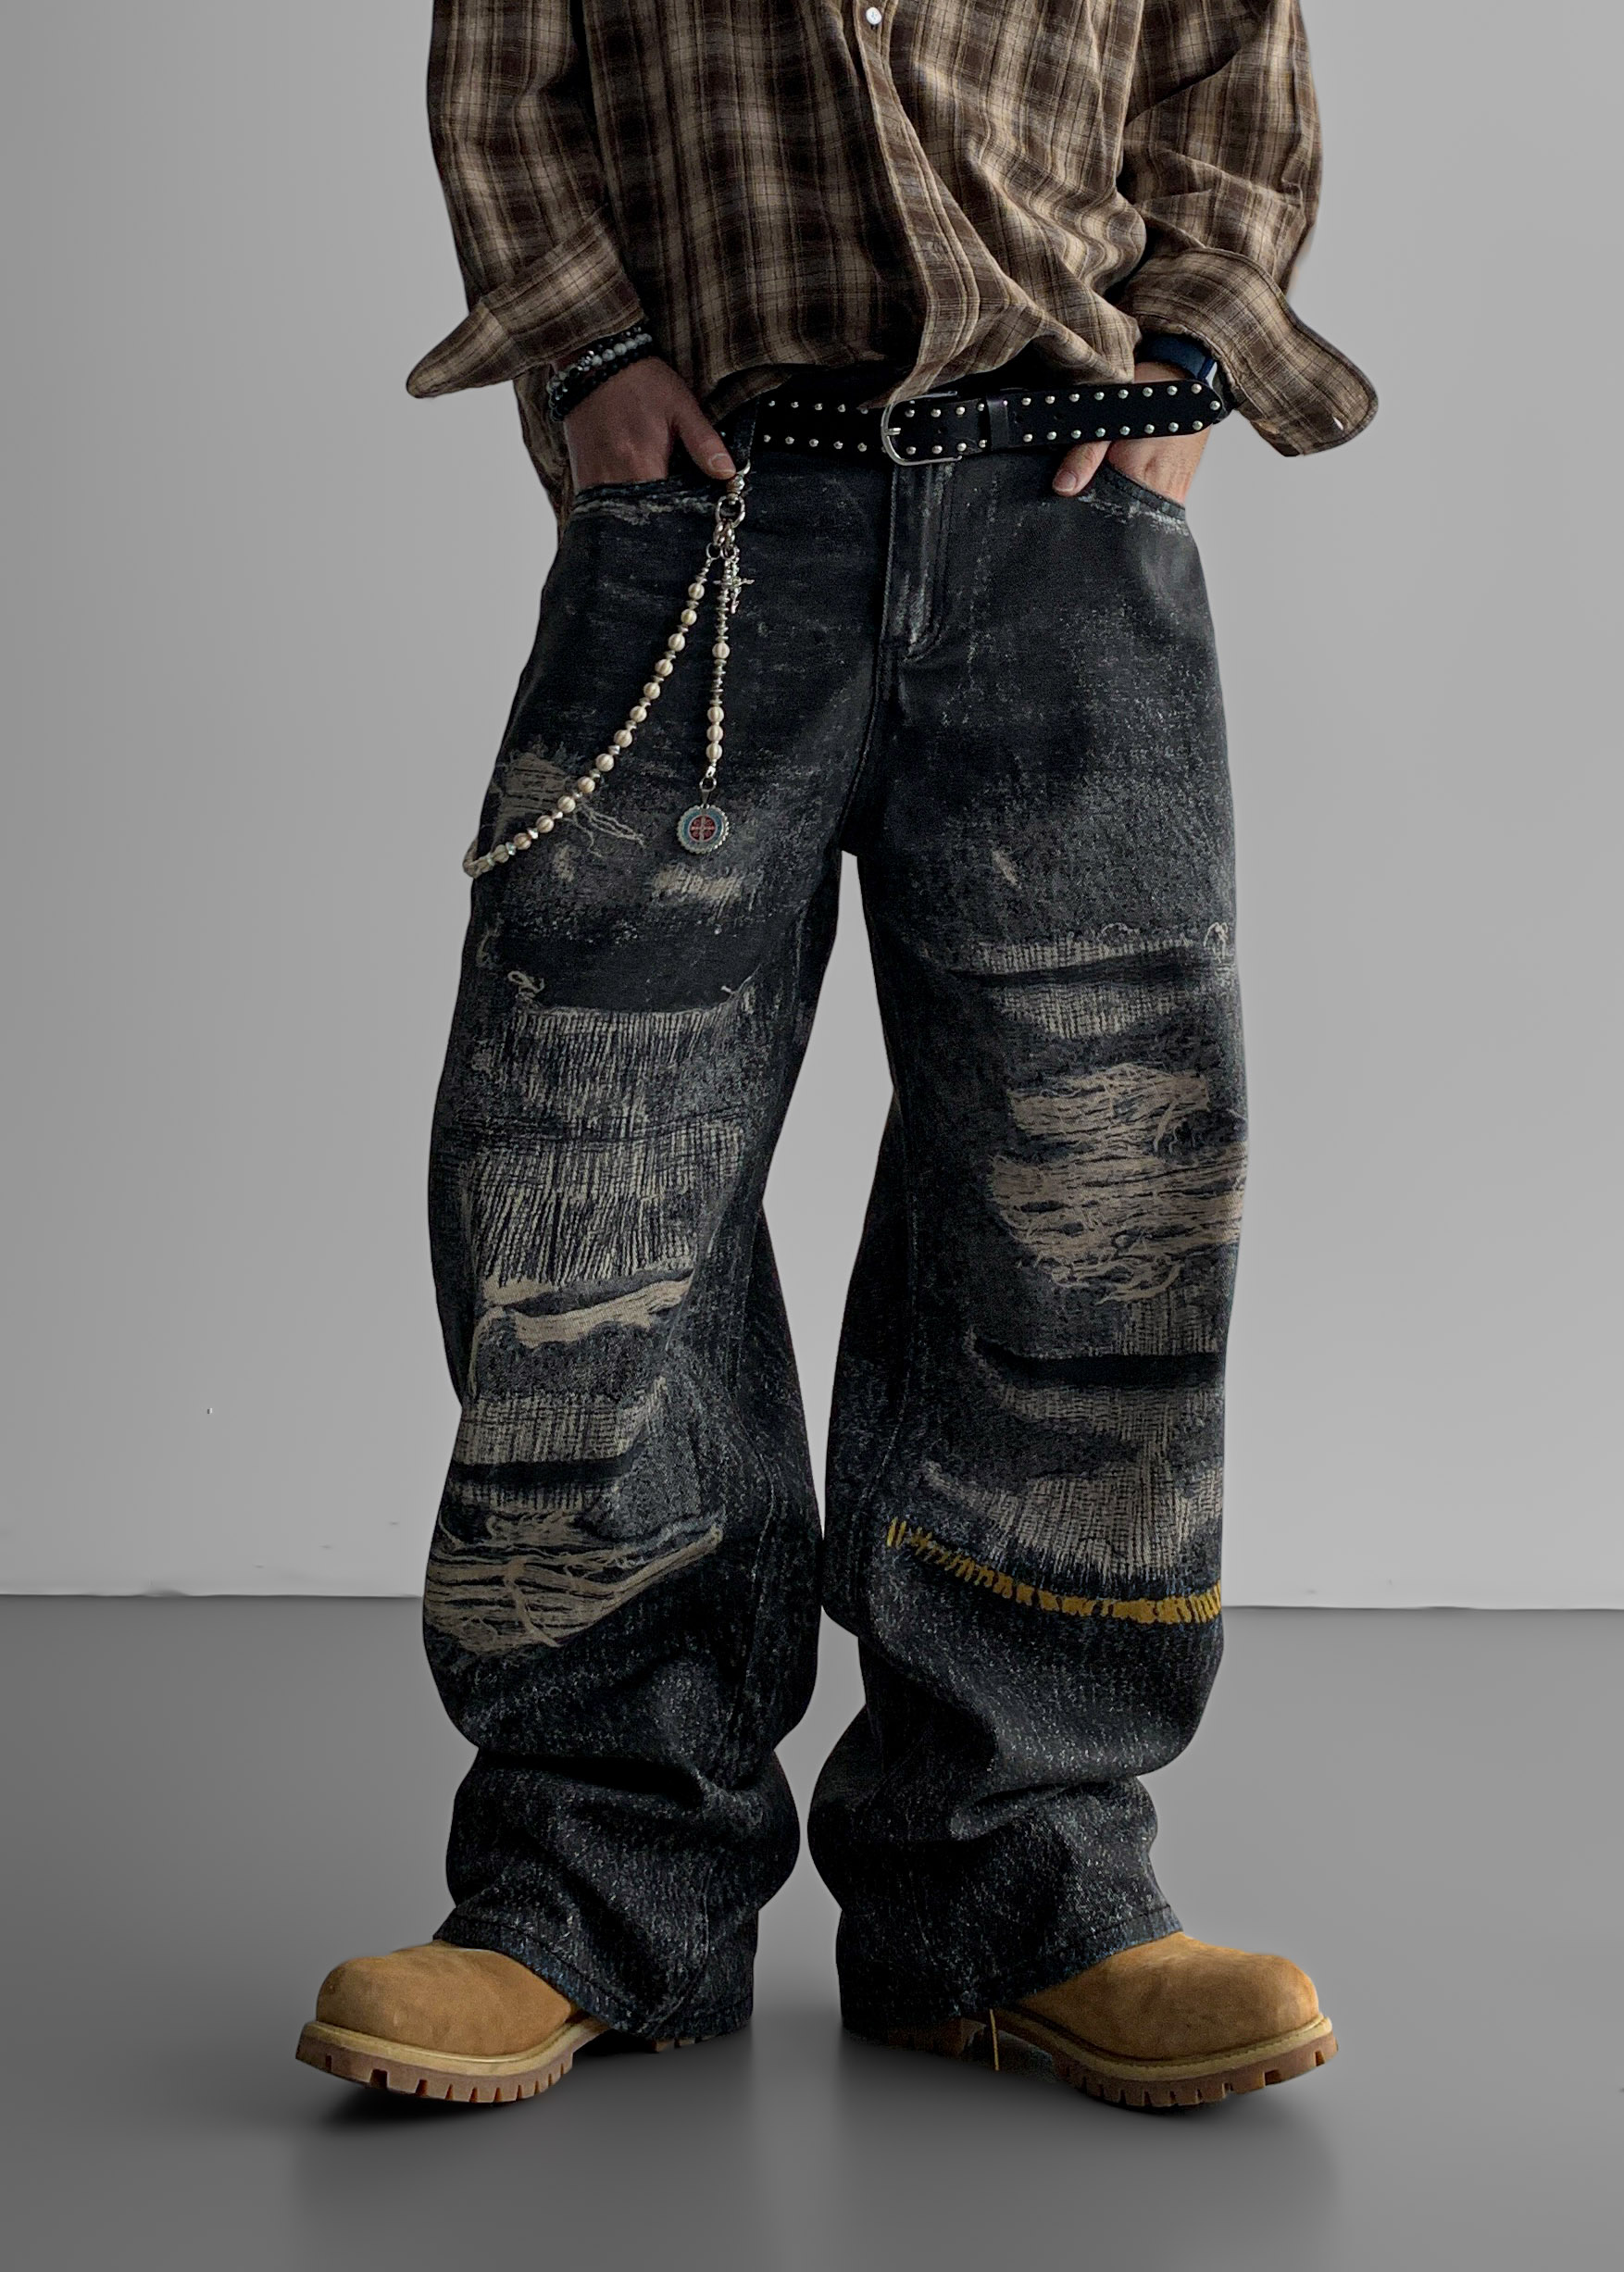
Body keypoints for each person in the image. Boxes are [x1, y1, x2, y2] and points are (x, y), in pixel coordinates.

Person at [297, 0, 1374, 2111]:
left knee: (1089, 1207)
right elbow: (503, 72)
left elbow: (1230, 66)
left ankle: (1025, 1883)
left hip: (1062, 515)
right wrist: (590, 355)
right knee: (586, 1193)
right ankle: (591, 1883)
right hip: (710, 510)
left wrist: (1190, 352)